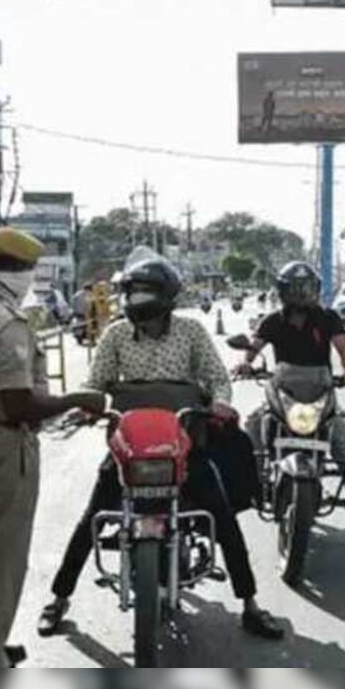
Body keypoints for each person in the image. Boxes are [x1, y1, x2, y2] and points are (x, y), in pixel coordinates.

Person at [37, 251, 284, 641]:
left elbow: (218, 378)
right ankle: (59, 600)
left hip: (184, 442)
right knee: (92, 517)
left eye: (145, 293)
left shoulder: (191, 332)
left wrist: (220, 403)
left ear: (166, 296)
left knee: (223, 518)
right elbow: (96, 382)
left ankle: (250, 604)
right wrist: (86, 406)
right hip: (130, 446)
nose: (138, 301)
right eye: (132, 294)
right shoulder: (116, 334)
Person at [0, 227, 105, 667]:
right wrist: (76, 399)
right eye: (30, 270)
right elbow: (19, 404)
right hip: (4, 441)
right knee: (3, 559)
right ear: (19, 271)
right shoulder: (6, 322)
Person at [235, 261, 345, 551]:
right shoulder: (272, 321)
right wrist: (245, 364)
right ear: (283, 291)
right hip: (283, 390)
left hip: (321, 391)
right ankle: (255, 485)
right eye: (295, 288)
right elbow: (254, 348)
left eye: (306, 288)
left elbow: (344, 351)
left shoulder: (328, 318)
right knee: (252, 424)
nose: (301, 294)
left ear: (315, 290)